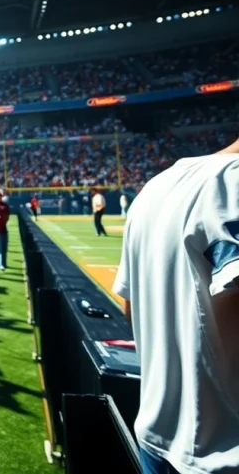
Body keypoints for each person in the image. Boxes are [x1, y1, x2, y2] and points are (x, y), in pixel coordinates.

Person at [112, 143, 239, 474]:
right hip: (222, 452)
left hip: (157, 436)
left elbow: (129, 307)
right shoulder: (232, 183)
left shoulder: (156, 185)